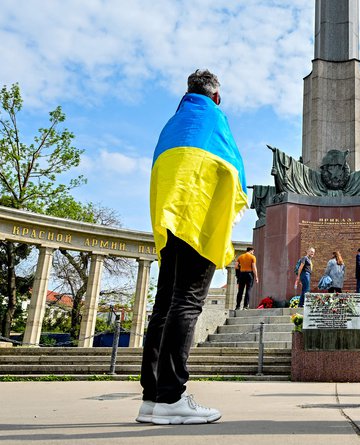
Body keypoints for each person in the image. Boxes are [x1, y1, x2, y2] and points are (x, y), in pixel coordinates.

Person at [138, 69, 247, 425]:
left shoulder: (174, 123)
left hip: (169, 220)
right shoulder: (215, 120)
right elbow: (232, 172)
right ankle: (172, 397)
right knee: (187, 302)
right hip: (197, 220)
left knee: (164, 304)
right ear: (217, 96)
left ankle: (152, 398)